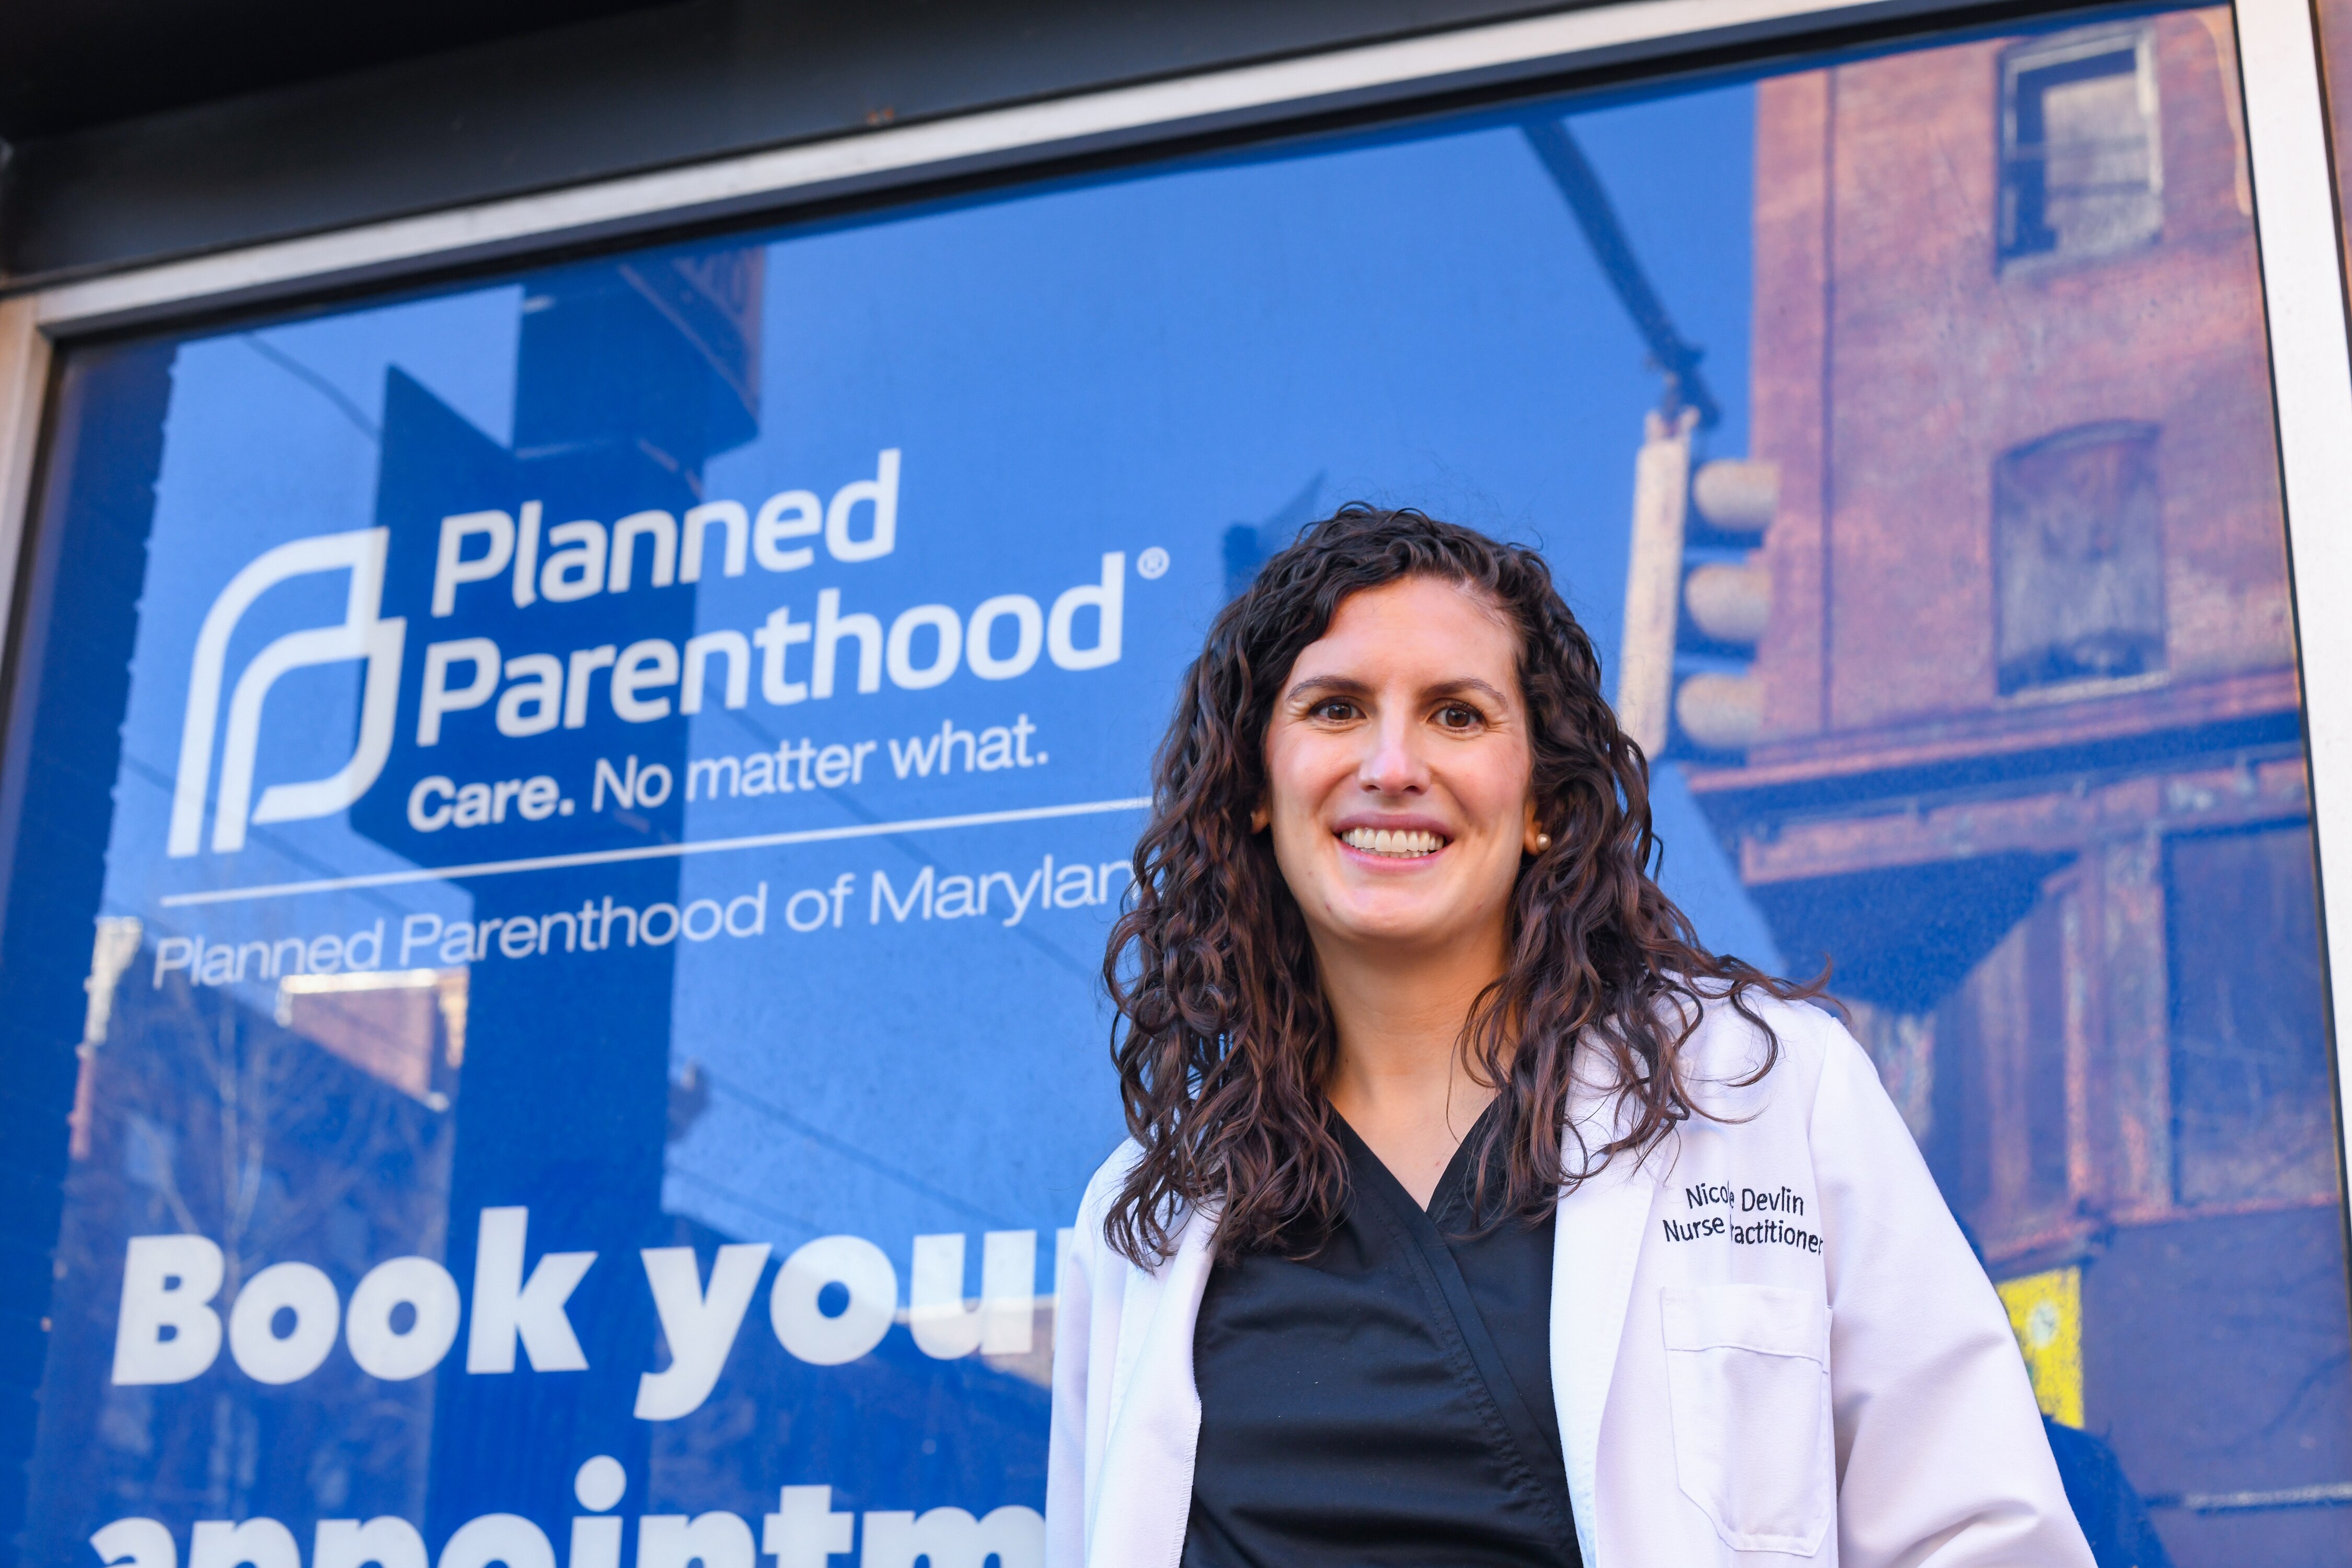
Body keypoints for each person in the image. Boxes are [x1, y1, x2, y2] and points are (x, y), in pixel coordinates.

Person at [1045, 506, 2095, 1566]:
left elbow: (1983, 1534)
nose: (1394, 764)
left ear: (1543, 801)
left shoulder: (1768, 1095)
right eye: (1336, 709)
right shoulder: (1147, 1221)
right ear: (1258, 790)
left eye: (1458, 715)